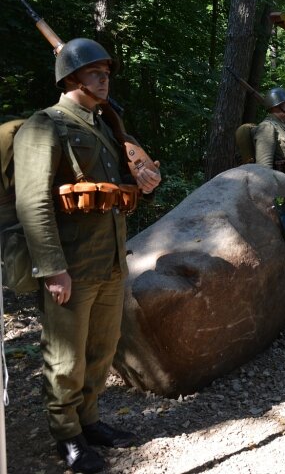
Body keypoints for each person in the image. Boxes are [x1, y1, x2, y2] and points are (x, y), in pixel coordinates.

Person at [14, 38, 162, 473]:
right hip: (71, 263)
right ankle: (67, 436)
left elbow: (120, 189)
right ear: (71, 77)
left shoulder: (105, 125)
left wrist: (145, 182)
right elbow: (34, 202)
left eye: (107, 72)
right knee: (66, 356)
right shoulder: (47, 125)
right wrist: (52, 268)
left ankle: (90, 421)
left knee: (101, 348)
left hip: (111, 259)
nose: (104, 78)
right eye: (95, 72)